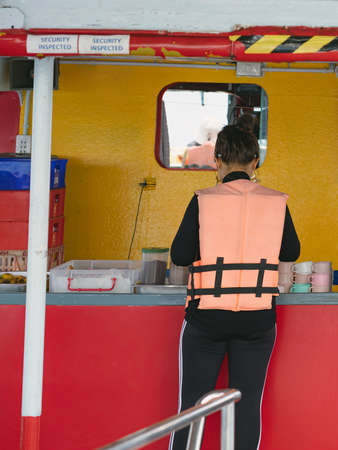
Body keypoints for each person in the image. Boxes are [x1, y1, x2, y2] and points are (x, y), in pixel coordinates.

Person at [169, 116, 300, 450]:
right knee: (246, 408)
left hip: (207, 318)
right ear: (255, 161)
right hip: (258, 319)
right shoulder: (276, 202)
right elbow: (292, 250)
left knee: (192, 409)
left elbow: (181, 255)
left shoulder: (203, 199)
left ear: (218, 162)